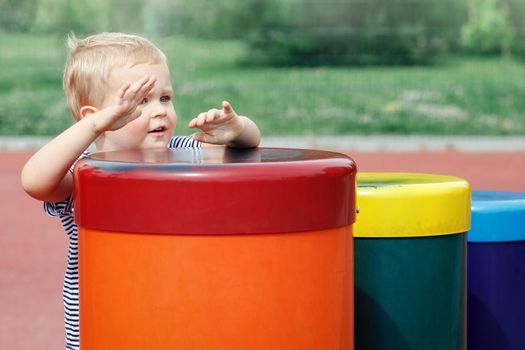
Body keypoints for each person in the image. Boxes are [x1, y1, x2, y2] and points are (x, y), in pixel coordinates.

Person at [20, 32, 261, 350]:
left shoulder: (181, 150)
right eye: (138, 103)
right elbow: (35, 181)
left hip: (174, 308)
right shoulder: (86, 171)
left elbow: (244, 154)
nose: (159, 110)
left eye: (164, 98)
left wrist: (238, 129)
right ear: (98, 119)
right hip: (104, 320)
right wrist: (92, 129)